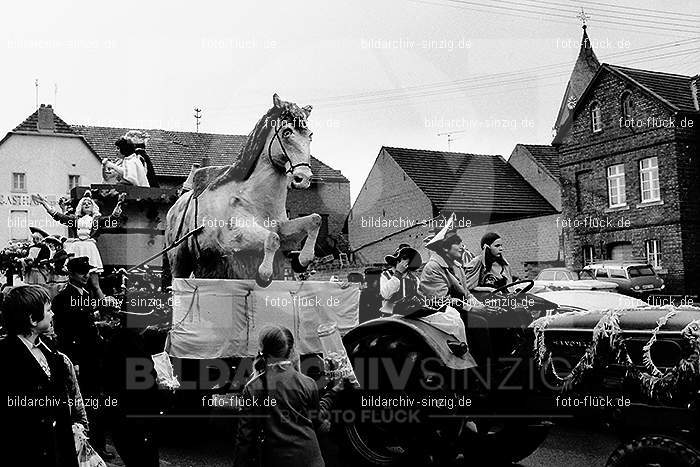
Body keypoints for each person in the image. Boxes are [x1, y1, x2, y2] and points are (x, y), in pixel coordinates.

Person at [0, 285, 87, 467]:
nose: (53, 314)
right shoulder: (6, 357)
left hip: (57, 452)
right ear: (32, 319)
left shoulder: (50, 351)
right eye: (48, 310)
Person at [234, 325, 334, 467]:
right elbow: (318, 420)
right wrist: (334, 392)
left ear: (262, 350)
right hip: (311, 461)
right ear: (291, 349)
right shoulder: (307, 383)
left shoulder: (253, 388)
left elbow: (245, 438)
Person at [51, 256, 114, 460]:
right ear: (71, 273)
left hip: (93, 355)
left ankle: (99, 443)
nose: (86, 275)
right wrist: (74, 361)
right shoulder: (63, 298)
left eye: (87, 271)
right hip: (79, 359)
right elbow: (64, 333)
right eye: (81, 272)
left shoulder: (86, 294)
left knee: (99, 401)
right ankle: (88, 444)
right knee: (85, 403)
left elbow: (87, 325)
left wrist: (99, 326)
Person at [419, 217, 494, 366]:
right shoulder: (433, 267)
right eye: (457, 243)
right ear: (445, 247)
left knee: (493, 318)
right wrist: (473, 309)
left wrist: (482, 307)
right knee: (479, 323)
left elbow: (467, 294)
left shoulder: (457, 266)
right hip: (440, 312)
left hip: (457, 309)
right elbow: (440, 300)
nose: (462, 247)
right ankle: (481, 366)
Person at [34, 190, 126, 299]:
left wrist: (119, 203)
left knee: (95, 284)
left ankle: (103, 307)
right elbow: (58, 216)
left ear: (93, 207)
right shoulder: (75, 219)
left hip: (90, 249)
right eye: (84, 203)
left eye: (89, 203)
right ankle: (77, 304)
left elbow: (112, 218)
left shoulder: (97, 220)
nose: (86, 204)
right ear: (80, 207)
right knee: (75, 282)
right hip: (76, 249)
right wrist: (45, 203)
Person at [379, 244, 422, 317]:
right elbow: (385, 294)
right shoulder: (385, 275)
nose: (404, 263)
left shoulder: (414, 279)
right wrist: (397, 274)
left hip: (409, 318)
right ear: (396, 261)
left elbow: (421, 296)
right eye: (403, 259)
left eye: (408, 259)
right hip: (389, 317)